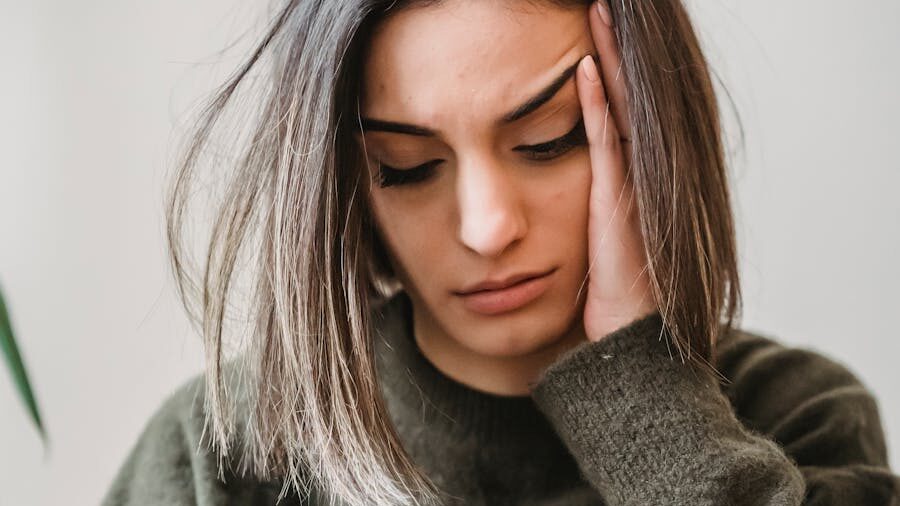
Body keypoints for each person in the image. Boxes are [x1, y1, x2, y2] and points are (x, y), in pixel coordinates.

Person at [101, 0, 899, 505]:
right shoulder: (223, 452)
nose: (486, 229)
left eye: (549, 140)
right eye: (407, 168)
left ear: (647, 131)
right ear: (347, 188)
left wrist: (643, 393)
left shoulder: (800, 417)